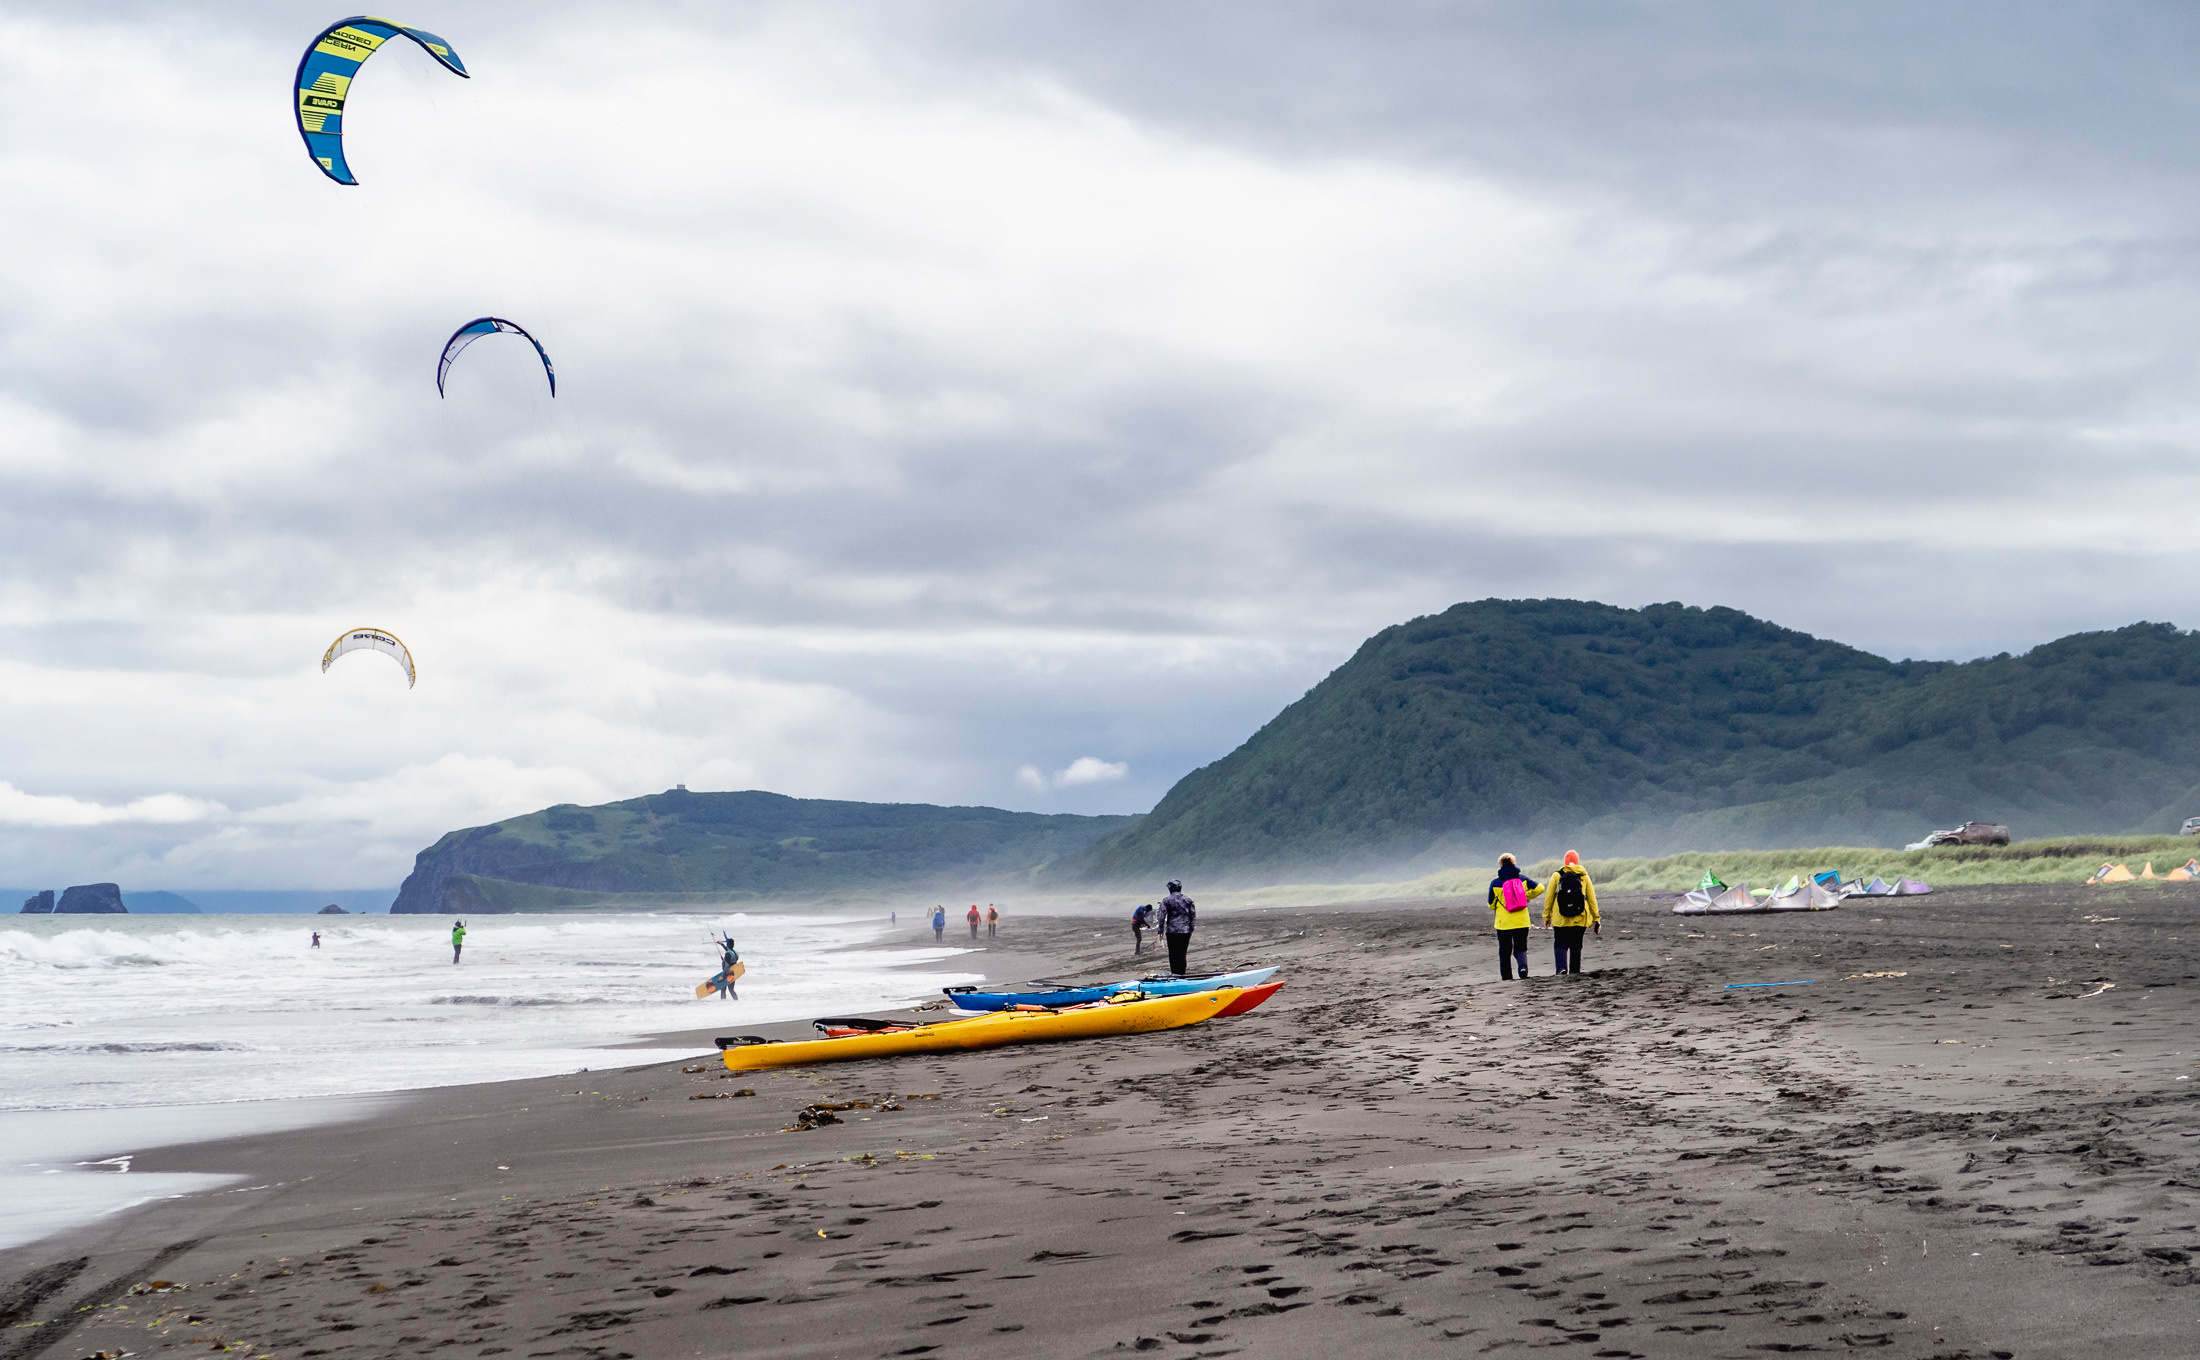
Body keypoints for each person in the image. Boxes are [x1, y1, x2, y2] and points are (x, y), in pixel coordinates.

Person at [1543, 850, 1600, 975]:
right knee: (1576, 945)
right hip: (1580, 917)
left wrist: (1546, 916)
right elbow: (1591, 898)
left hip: (1560, 918)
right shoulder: (1584, 876)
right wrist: (1596, 918)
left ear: (1565, 862)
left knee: (1560, 944)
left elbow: (1549, 897)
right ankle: (1575, 972)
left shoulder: (1557, 876)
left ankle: (1561, 969)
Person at [1486, 856, 1541, 980]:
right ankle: (1522, 968)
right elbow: (1540, 888)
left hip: (1503, 923)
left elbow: (1490, 904)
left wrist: (1499, 905)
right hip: (1521, 920)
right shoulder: (1523, 879)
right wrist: (1525, 897)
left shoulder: (1495, 883)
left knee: (1504, 951)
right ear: (1513, 863)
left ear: (1500, 865)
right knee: (1520, 947)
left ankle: (1506, 977)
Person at [1158, 880, 1196, 975]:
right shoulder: (1188, 899)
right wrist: (1191, 928)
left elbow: (1161, 916)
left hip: (1172, 931)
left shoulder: (1166, 900)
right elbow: (1193, 915)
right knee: (1182, 953)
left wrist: (1160, 931)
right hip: (1185, 931)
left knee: (1173, 954)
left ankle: (1175, 973)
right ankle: (1182, 973)